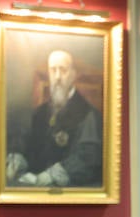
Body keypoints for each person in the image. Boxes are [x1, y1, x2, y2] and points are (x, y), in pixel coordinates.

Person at [6, 49, 102, 188]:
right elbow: (31, 147)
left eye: (63, 70)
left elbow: (88, 158)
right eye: (53, 70)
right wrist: (20, 159)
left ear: (73, 75)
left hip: (73, 195)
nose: (57, 77)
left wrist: (53, 175)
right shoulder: (40, 112)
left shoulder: (89, 114)